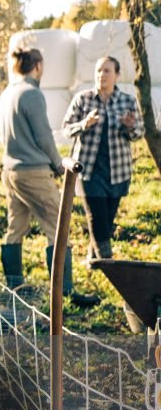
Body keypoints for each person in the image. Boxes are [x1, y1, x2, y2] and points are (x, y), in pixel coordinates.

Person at [0, 47, 98, 306]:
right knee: (57, 226)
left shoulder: (8, 93)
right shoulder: (32, 94)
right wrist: (57, 164)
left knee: (15, 228)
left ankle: (14, 287)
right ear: (38, 65)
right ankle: (63, 294)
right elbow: (43, 137)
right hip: (33, 171)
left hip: (11, 171)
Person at [63, 55, 145, 262]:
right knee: (96, 218)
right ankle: (107, 264)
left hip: (117, 172)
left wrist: (130, 126)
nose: (101, 75)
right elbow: (65, 129)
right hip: (89, 172)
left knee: (107, 221)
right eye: (99, 70)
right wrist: (84, 124)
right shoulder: (83, 99)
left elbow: (139, 133)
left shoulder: (127, 101)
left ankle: (93, 258)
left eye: (107, 71)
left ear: (117, 75)